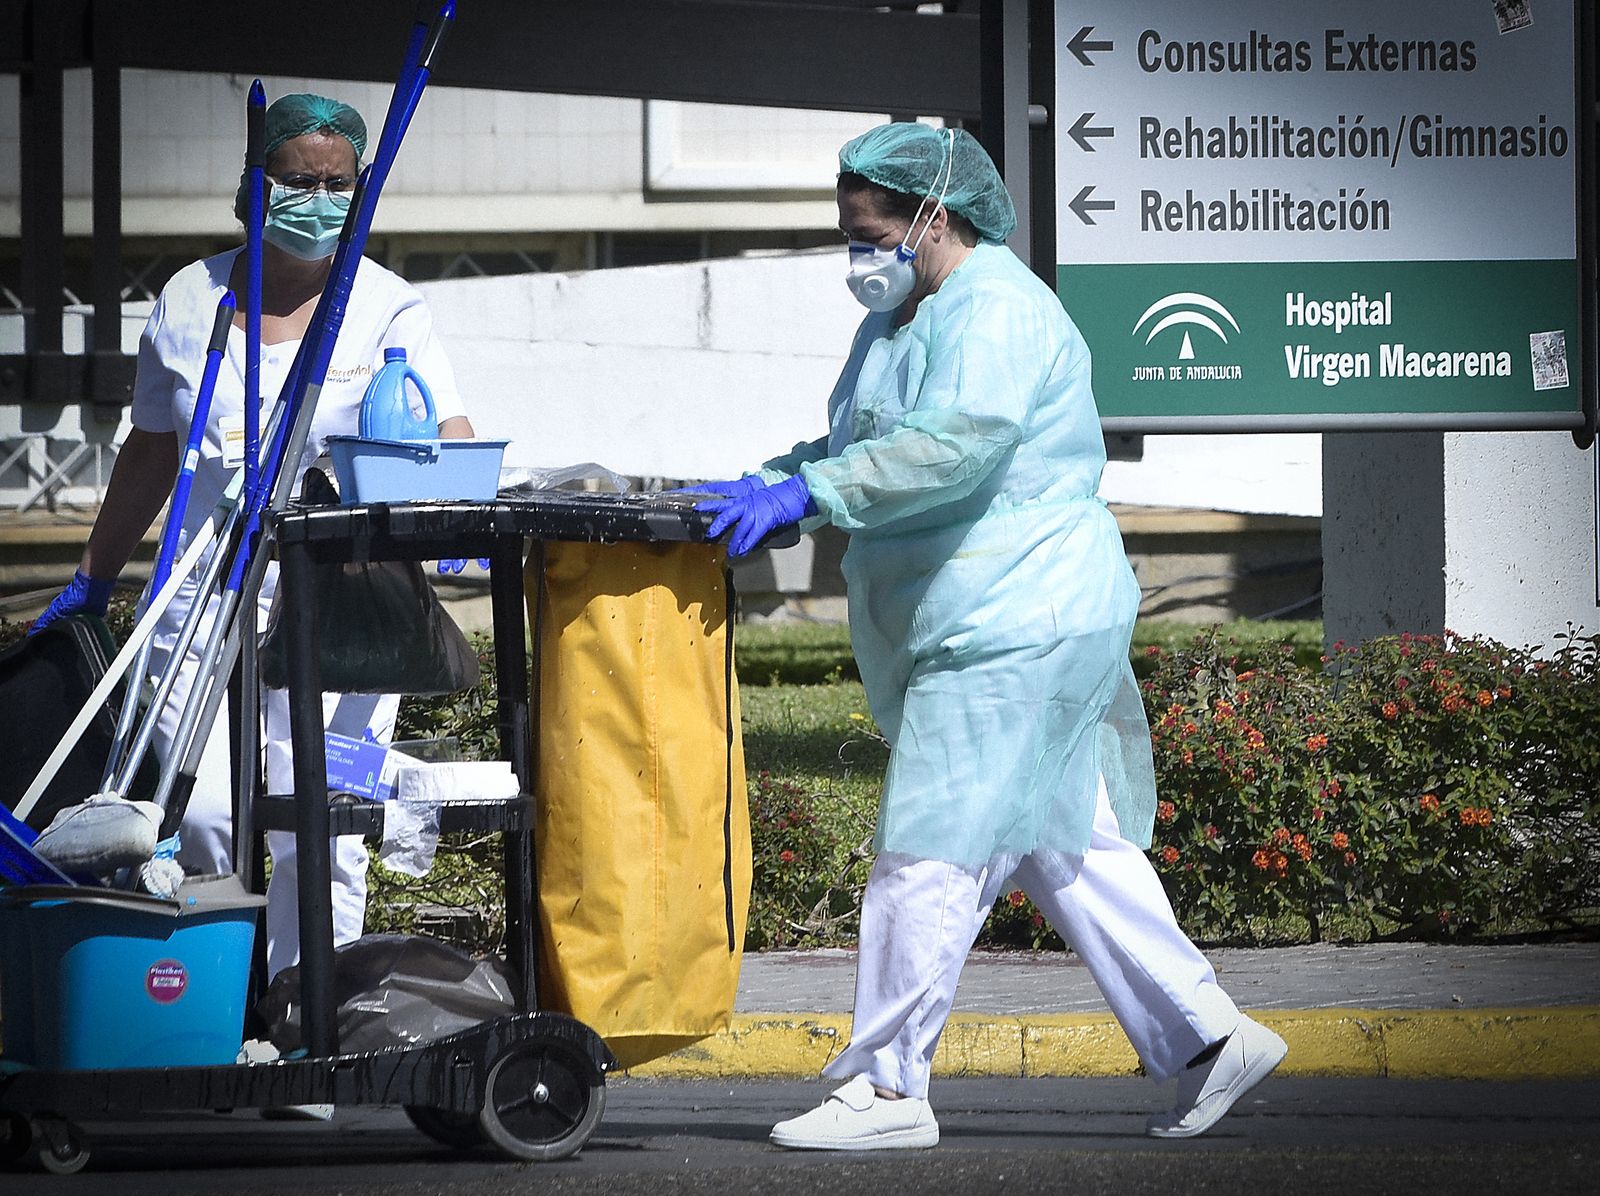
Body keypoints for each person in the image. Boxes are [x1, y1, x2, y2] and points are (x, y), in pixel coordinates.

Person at [692, 123, 1286, 1150]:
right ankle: (1207, 1036)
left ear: (937, 215)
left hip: (1016, 616)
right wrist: (781, 480)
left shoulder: (998, 310)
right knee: (1066, 846)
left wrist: (813, 492)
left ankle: (886, 1087)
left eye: (872, 232)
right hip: (1000, 609)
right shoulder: (906, 313)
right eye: (848, 234)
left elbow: (950, 451)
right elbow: (862, 443)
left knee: (929, 846)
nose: (857, 254)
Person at [32, 94, 475, 987]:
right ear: (255, 182)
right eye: (296, 180)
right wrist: (90, 578)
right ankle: (211, 1006)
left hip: (342, 603)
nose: (316, 197)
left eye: (335, 183)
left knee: (324, 815)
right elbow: (152, 451)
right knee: (201, 814)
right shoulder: (192, 300)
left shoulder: (388, 307)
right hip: (202, 592)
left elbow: (450, 435)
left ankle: (313, 1013)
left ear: (363, 188)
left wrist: (446, 497)